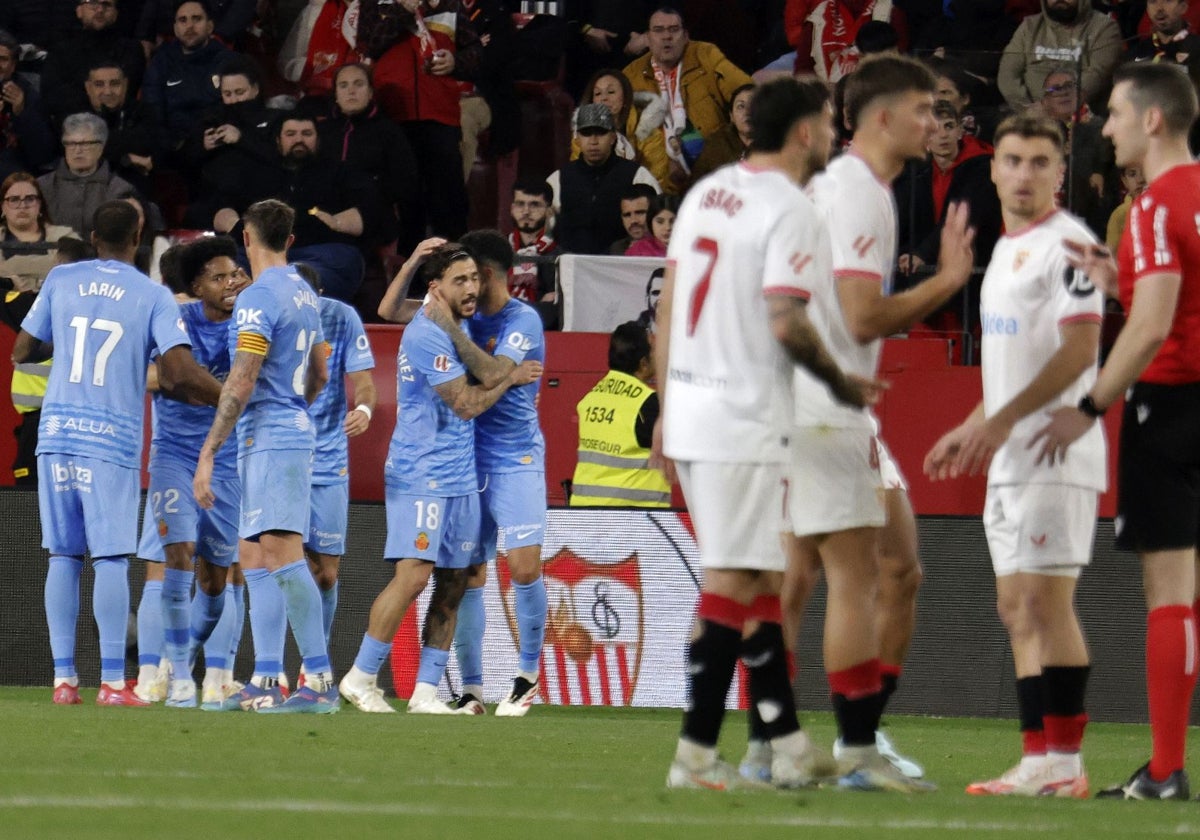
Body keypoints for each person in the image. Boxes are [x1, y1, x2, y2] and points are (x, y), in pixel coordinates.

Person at [654, 75, 879, 791]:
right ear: (807, 132)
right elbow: (786, 318)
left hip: (691, 406)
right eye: (827, 123)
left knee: (758, 577)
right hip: (742, 413)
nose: (834, 137)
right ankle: (694, 753)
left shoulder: (703, 195)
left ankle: (783, 740)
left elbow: (664, 310)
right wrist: (842, 383)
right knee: (733, 577)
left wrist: (664, 406)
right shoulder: (792, 208)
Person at [781, 54, 975, 783]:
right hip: (827, 409)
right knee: (852, 575)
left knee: (893, 569)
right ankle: (855, 748)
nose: (935, 122)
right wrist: (950, 283)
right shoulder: (859, 193)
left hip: (819, 403)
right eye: (925, 110)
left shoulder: (840, 188)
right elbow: (863, 315)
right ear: (884, 117)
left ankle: (785, 739)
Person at [1032, 61, 1200, 801]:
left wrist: (1091, 404)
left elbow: (1157, 325)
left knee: (1170, 591)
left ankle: (1166, 769)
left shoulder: (1157, 206)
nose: (1106, 128)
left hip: (1170, 409)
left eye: (1117, 115)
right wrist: (1121, 282)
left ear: (1154, 119)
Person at [924, 113, 1103, 798]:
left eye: (1038, 162)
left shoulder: (1071, 246)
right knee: (1014, 606)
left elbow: (1081, 350)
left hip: (1056, 453)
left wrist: (995, 424)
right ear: (992, 167)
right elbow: (1010, 367)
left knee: (1044, 602)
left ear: (1060, 172)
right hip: (1011, 456)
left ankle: (1066, 761)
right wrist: (970, 426)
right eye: (1013, 160)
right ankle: (1039, 759)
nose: (1023, 174)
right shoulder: (1005, 251)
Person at [13, 199, 219, 705]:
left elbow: (23, 350)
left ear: (92, 234)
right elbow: (178, 370)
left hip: (57, 432)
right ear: (139, 234)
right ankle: (109, 681)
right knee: (108, 558)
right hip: (109, 437)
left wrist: (66, 342)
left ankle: (63, 681)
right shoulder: (151, 295)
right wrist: (234, 398)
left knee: (61, 555)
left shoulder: (61, 281)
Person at [338, 243, 541, 715]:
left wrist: (414, 267)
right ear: (437, 289)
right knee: (413, 576)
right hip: (421, 473)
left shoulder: (459, 323)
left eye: (475, 278)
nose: (471, 288)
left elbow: (388, 307)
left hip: (461, 475)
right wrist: (510, 380)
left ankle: (426, 691)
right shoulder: (428, 332)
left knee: (455, 581)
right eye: (460, 281)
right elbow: (466, 404)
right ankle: (361, 675)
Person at [193, 198, 340, 714]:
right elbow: (321, 373)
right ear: (290, 240)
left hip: (270, 434)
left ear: (248, 240)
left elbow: (242, 379)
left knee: (282, 555)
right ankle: (266, 678)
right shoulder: (304, 291)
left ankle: (320, 682)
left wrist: (208, 451)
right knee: (254, 555)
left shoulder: (257, 299)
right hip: (278, 430)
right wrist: (295, 410)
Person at [438, 229, 548, 717]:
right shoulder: (461, 315)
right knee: (468, 575)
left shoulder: (523, 319)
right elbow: (396, 310)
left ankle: (526, 677)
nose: (462, 286)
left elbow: (491, 373)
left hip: (515, 457)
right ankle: (472, 688)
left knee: (523, 566)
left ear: (485, 275)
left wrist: (455, 333)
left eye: (467, 274)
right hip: (466, 456)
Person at [210, 114, 389, 304]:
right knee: (219, 267)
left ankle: (270, 291)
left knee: (314, 276)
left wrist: (337, 223)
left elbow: (372, 210)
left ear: (318, 140)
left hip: (323, 255)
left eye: (306, 134)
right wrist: (234, 224)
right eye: (290, 134)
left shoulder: (340, 172)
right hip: (260, 253)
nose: (299, 140)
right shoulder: (254, 173)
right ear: (278, 141)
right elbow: (220, 207)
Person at [298, 262, 377, 665]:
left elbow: (364, 382)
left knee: (326, 573)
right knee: (274, 567)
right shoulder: (262, 316)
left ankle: (317, 668)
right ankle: (269, 670)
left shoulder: (341, 318)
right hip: (279, 456)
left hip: (327, 460)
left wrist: (363, 407)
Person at [1, 179, 82, 488]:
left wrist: (14, 285)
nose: (22, 205)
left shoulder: (62, 240)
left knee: (40, 487)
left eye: (29, 198)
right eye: (14, 199)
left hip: (48, 415)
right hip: (54, 415)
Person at [622, 7, 752, 193]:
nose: (667, 36)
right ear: (648, 39)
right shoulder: (631, 75)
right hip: (658, 172)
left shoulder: (705, 54)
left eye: (674, 30)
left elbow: (745, 91)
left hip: (714, 162)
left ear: (685, 37)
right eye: (658, 30)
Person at [570, 322, 669, 508]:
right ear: (643, 363)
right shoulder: (647, 403)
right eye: (654, 350)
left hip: (583, 514)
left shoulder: (591, 398)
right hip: (631, 519)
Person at [548, 103, 660, 255]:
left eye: (601, 133)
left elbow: (658, 224)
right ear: (577, 138)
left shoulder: (637, 175)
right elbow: (545, 233)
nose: (593, 141)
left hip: (621, 268)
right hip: (572, 269)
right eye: (586, 133)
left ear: (613, 137)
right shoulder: (559, 178)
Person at [141, 0, 230, 161]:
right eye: (183, 20)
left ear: (210, 26)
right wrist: (175, 145)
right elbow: (153, 111)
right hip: (175, 147)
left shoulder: (227, 61)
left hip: (217, 145)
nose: (189, 26)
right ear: (175, 28)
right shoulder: (161, 61)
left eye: (196, 19)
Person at [997, 0, 1122, 111]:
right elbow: (1007, 74)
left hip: (1081, 115)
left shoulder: (1104, 27)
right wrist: (1028, 110)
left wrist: (1055, 108)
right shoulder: (1029, 26)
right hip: (1030, 115)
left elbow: (1097, 74)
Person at [39, 0, 146, 124]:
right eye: (93, 3)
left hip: (121, 125)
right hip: (73, 126)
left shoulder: (131, 49)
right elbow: (52, 95)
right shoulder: (61, 51)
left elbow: (128, 92)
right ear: (79, 11)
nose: (100, 10)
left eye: (106, 5)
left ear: (116, 14)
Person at [38, 112, 141, 241]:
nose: (77, 150)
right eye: (71, 143)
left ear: (101, 147)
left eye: (85, 144)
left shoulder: (119, 189)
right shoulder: (42, 186)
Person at [81, 61, 160, 198]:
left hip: (135, 191)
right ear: (88, 88)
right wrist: (127, 158)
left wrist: (103, 146)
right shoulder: (79, 116)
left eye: (115, 83)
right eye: (99, 84)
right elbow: (84, 153)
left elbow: (149, 144)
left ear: (125, 84)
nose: (108, 91)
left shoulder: (144, 111)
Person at [687, 84, 753, 187]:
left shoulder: (782, 143)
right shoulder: (715, 146)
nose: (748, 112)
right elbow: (696, 188)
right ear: (731, 116)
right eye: (741, 106)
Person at [507, 178, 558, 309]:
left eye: (535, 204)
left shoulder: (560, 257)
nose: (526, 211)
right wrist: (539, 304)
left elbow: (554, 313)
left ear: (549, 211)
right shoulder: (497, 251)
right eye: (520, 204)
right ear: (512, 208)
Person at [608, 183, 657, 255]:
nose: (633, 220)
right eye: (627, 215)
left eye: (640, 213)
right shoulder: (617, 249)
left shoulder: (674, 247)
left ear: (656, 212)